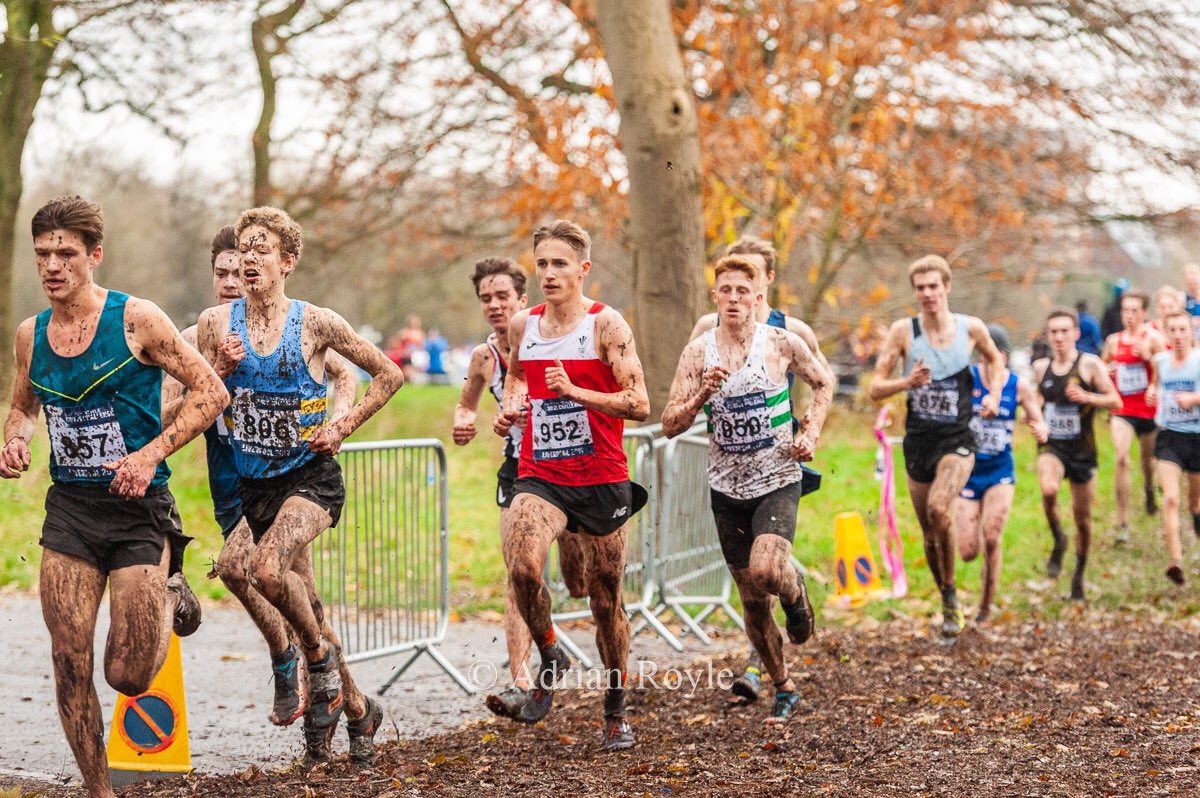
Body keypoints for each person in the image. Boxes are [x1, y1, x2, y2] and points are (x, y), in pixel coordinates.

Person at [0, 196, 227, 798]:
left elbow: (210, 393)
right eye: (43, 253)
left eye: (65, 254)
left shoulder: (136, 320)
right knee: (69, 659)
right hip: (71, 511)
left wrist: (150, 453)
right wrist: (14, 439)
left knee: (125, 674)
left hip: (138, 511)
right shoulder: (31, 335)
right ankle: (99, 791)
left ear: (94, 256)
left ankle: (169, 580)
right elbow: (23, 406)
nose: (52, 266)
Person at [196, 206, 403, 767]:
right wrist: (217, 367)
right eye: (244, 248)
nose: (248, 260)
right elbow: (189, 400)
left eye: (262, 249)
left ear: (288, 262)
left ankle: (315, 664)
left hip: (310, 481)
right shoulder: (216, 325)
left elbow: (389, 374)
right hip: (253, 487)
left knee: (266, 569)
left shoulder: (316, 323)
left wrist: (342, 424)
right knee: (287, 592)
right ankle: (357, 709)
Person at [161, 225, 365, 765]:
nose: (234, 279)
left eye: (244, 266)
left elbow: (346, 373)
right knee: (272, 589)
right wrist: (216, 375)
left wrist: (339, 422)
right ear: (213, 276)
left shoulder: (288, 327)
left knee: (287, 589)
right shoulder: (198, 335)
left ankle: (322, 706)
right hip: (235, 485)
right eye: (224, 272)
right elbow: (164, 417)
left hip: (289, 476)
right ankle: (346, 701)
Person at [493, 219, 650, 751]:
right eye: (542, 264)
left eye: (560, 263)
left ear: (583, 270)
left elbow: (639, 403)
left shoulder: (607, 325)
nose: (549, 273)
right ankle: (551, 653)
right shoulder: (523, 326)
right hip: (542, 475)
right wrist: (512, 405)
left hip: (602, 478)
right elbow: (516, 374)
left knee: (605, 600)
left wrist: (579, 392)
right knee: (521, 568)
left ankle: (615, 708)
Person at [662, 255, 833, 723]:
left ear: (759, 298)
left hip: (777, 478)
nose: (734, 299)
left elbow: (824, 382)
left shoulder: (781, 343)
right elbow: (669, 423)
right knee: (753, 599)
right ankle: (783, 686)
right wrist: (701, 396)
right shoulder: (699, 352)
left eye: (744, 291)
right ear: (715, 297)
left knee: (766, 570)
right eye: (726, 291)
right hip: (726, 487)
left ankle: (796, 594)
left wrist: (810, 433)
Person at [450, 257, 586, 718]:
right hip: (520, 473)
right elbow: (466, 405)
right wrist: (463, 424)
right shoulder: (484, 357)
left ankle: (556, 638)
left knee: (577, 580)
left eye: (502, 296)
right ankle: (522, 679)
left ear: (522, 299)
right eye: (485, 298)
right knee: (519, 575)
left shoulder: (553, 337)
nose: (493, 305)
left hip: (569, 470)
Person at [868, 255, 1006, 641]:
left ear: (947, 287)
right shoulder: (903, 332)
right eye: (920, 288)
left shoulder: (970, 328)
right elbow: (874, 388)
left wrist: (993, 394)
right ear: (915, 292)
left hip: (957, 440)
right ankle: (947, 595)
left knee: (938, 509)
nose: (927, 294)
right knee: (930, 531)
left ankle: (950, 599)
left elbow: (994, 359)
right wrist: (906, 383)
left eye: (933, 286)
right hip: (919, 442)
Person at [953, 324, 1047, 626]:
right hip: (968, 470)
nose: (986, 361)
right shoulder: (969, 379)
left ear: (1003, 355)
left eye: (991, 355)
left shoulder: (1017, 386)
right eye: (982, 355)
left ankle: (985, 606)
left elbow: (1037, 416)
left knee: (992, 537)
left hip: (999, 470)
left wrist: (1040, 428)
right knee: (967, 551)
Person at [1033, 308, 1121, 600]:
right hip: (1052, 446)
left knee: (1083, 518)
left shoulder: (1090, 365)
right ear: (1048, 335)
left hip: (1082, 450)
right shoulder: (1040, 368)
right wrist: (1033, 421)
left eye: (1064, 331)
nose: (1058, 337)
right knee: (1048, 490)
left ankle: (1079, 575)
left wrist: (1088, 397)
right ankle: (1059, 538)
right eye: (1053, 332)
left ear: (1075, 334)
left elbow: (1115, 401)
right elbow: (1033, 406)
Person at [1100, 289, 1164, 544]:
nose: (1129, 316)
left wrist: (1149, 362)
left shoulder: (1154, 338)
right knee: (1122, 458)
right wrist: (1109, 370)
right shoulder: (1114, 341)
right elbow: (1102, 367)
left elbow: (1166, 369)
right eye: (1125, 311)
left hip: (1147, 411)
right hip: (1122, 409)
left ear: (1144, 313)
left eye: (1134, 311)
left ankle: (1149, 490)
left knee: (1147, 464)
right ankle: (1123, 522)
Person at [1148, 311, 1200, 586]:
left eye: (1183, 330)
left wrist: (1194, 398)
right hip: (1169, 436)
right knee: (1170, 498)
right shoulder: (1161, 362)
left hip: (1197, 437)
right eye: (1173, 331)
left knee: (1195, 501)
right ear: (1167, 334)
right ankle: (1176, 561)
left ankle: (1196, 516)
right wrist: (1152, 393)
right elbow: (1157, 387)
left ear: (1191, 332)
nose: (1178, 336)